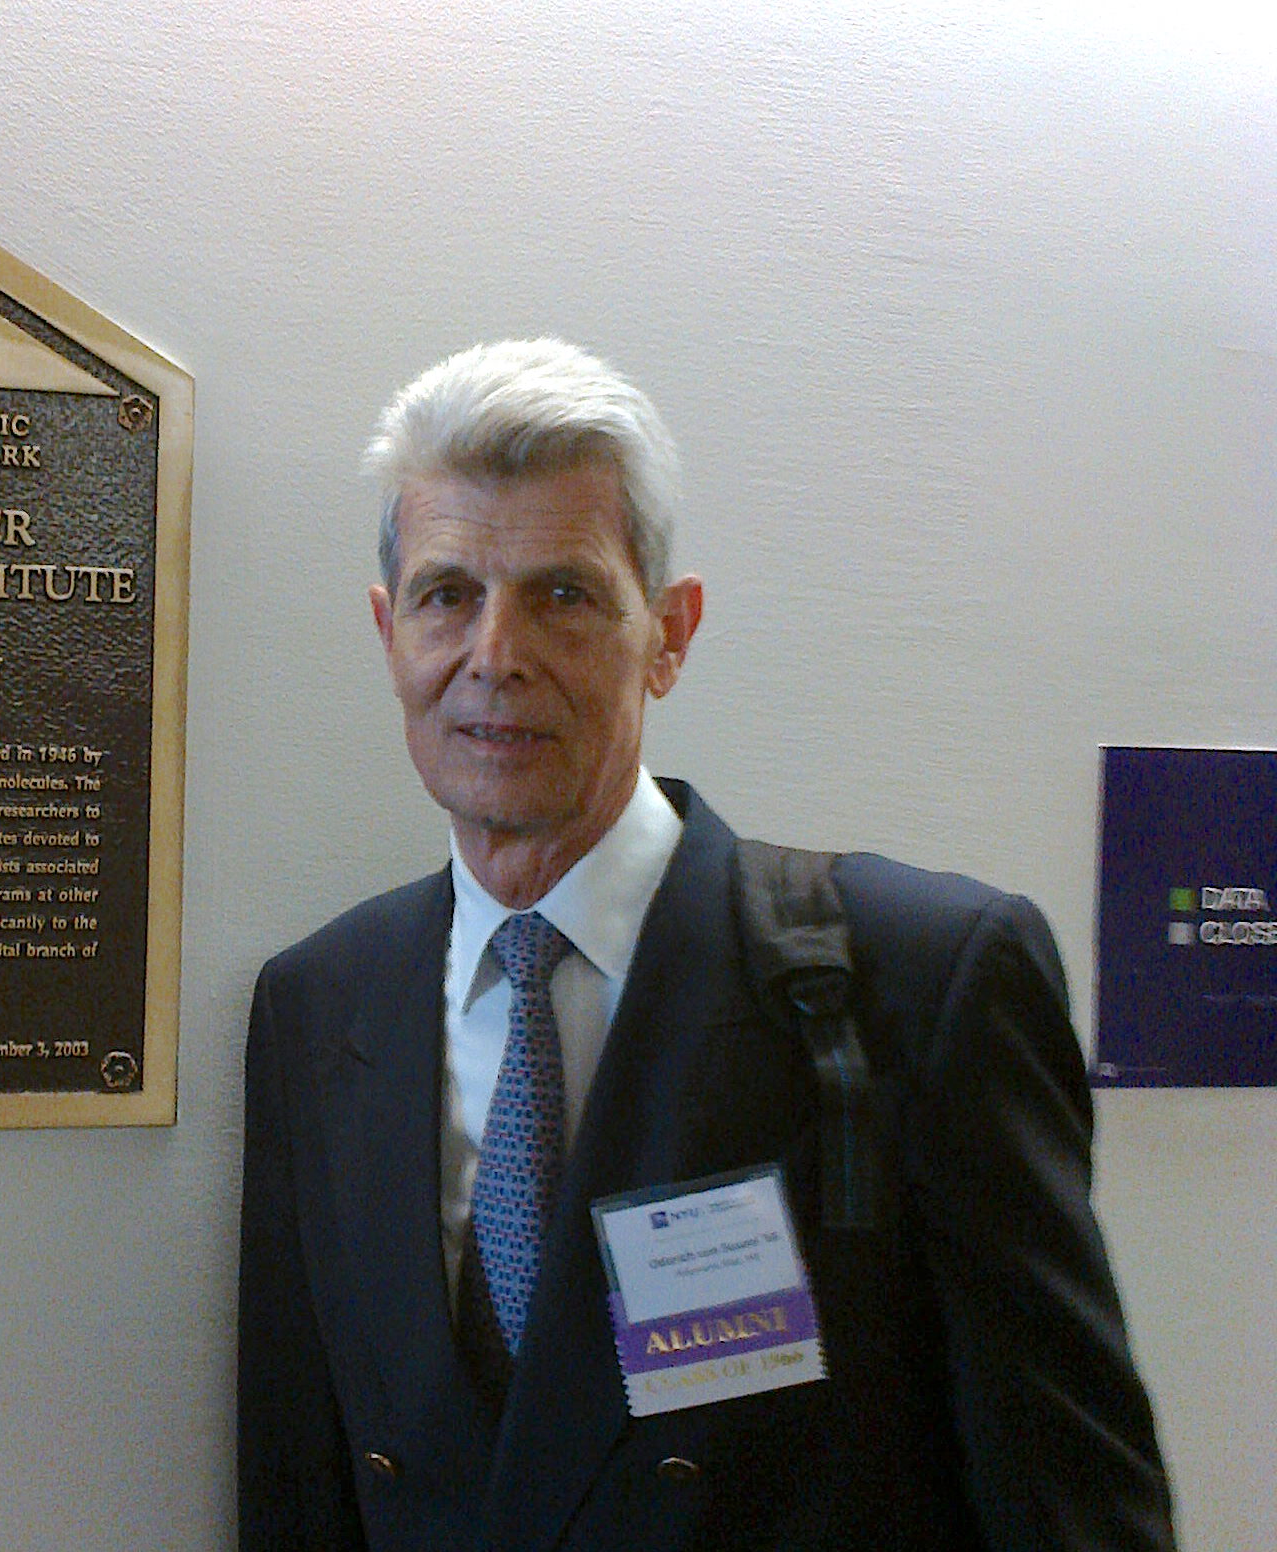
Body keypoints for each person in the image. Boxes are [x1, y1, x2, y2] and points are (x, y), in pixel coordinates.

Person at [237, 339, 1175, 1551]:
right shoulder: (320, 1009)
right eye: (447, 594)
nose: (495, 655)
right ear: (388, 632)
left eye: (562, 594)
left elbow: (1074, 1506)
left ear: (669, 634)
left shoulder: (921, 982)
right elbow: (297, 1486)